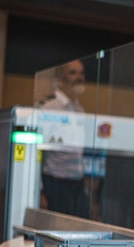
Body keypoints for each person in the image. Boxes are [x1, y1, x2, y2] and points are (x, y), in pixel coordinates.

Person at [38, 59, 90, 218]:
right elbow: (38, 150)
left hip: (77, 184)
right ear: (59, 79)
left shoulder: (79, 109)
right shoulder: (50, 108)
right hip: (55, 184)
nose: (79, 77)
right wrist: (39, 190)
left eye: (81, 72)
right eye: (73, 73)